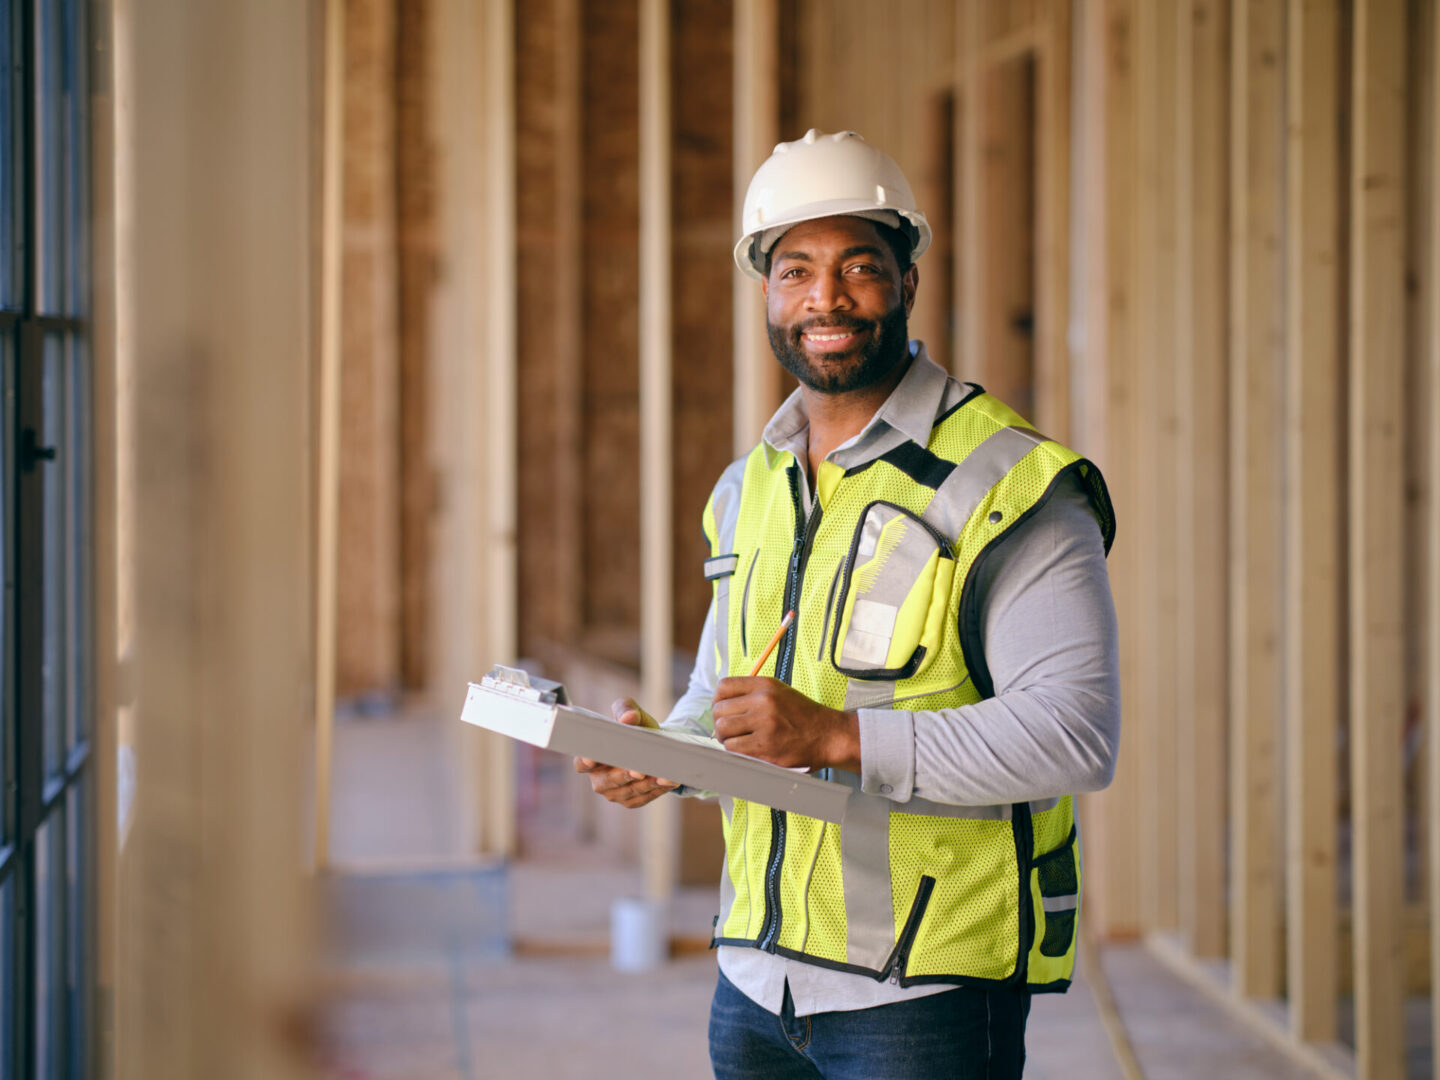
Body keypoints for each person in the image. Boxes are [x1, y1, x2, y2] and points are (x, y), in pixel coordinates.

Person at [576, 129, 1120, 1080]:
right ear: (766, 294)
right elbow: (727, 700)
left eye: (858, 266)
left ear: (909, 279)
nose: (825, 297)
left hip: (924, 995)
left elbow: (1076, 735)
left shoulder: (1007, 481)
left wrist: (837, 739)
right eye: (796, 272)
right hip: (754, 978)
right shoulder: (752, 487)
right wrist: (664, 753)